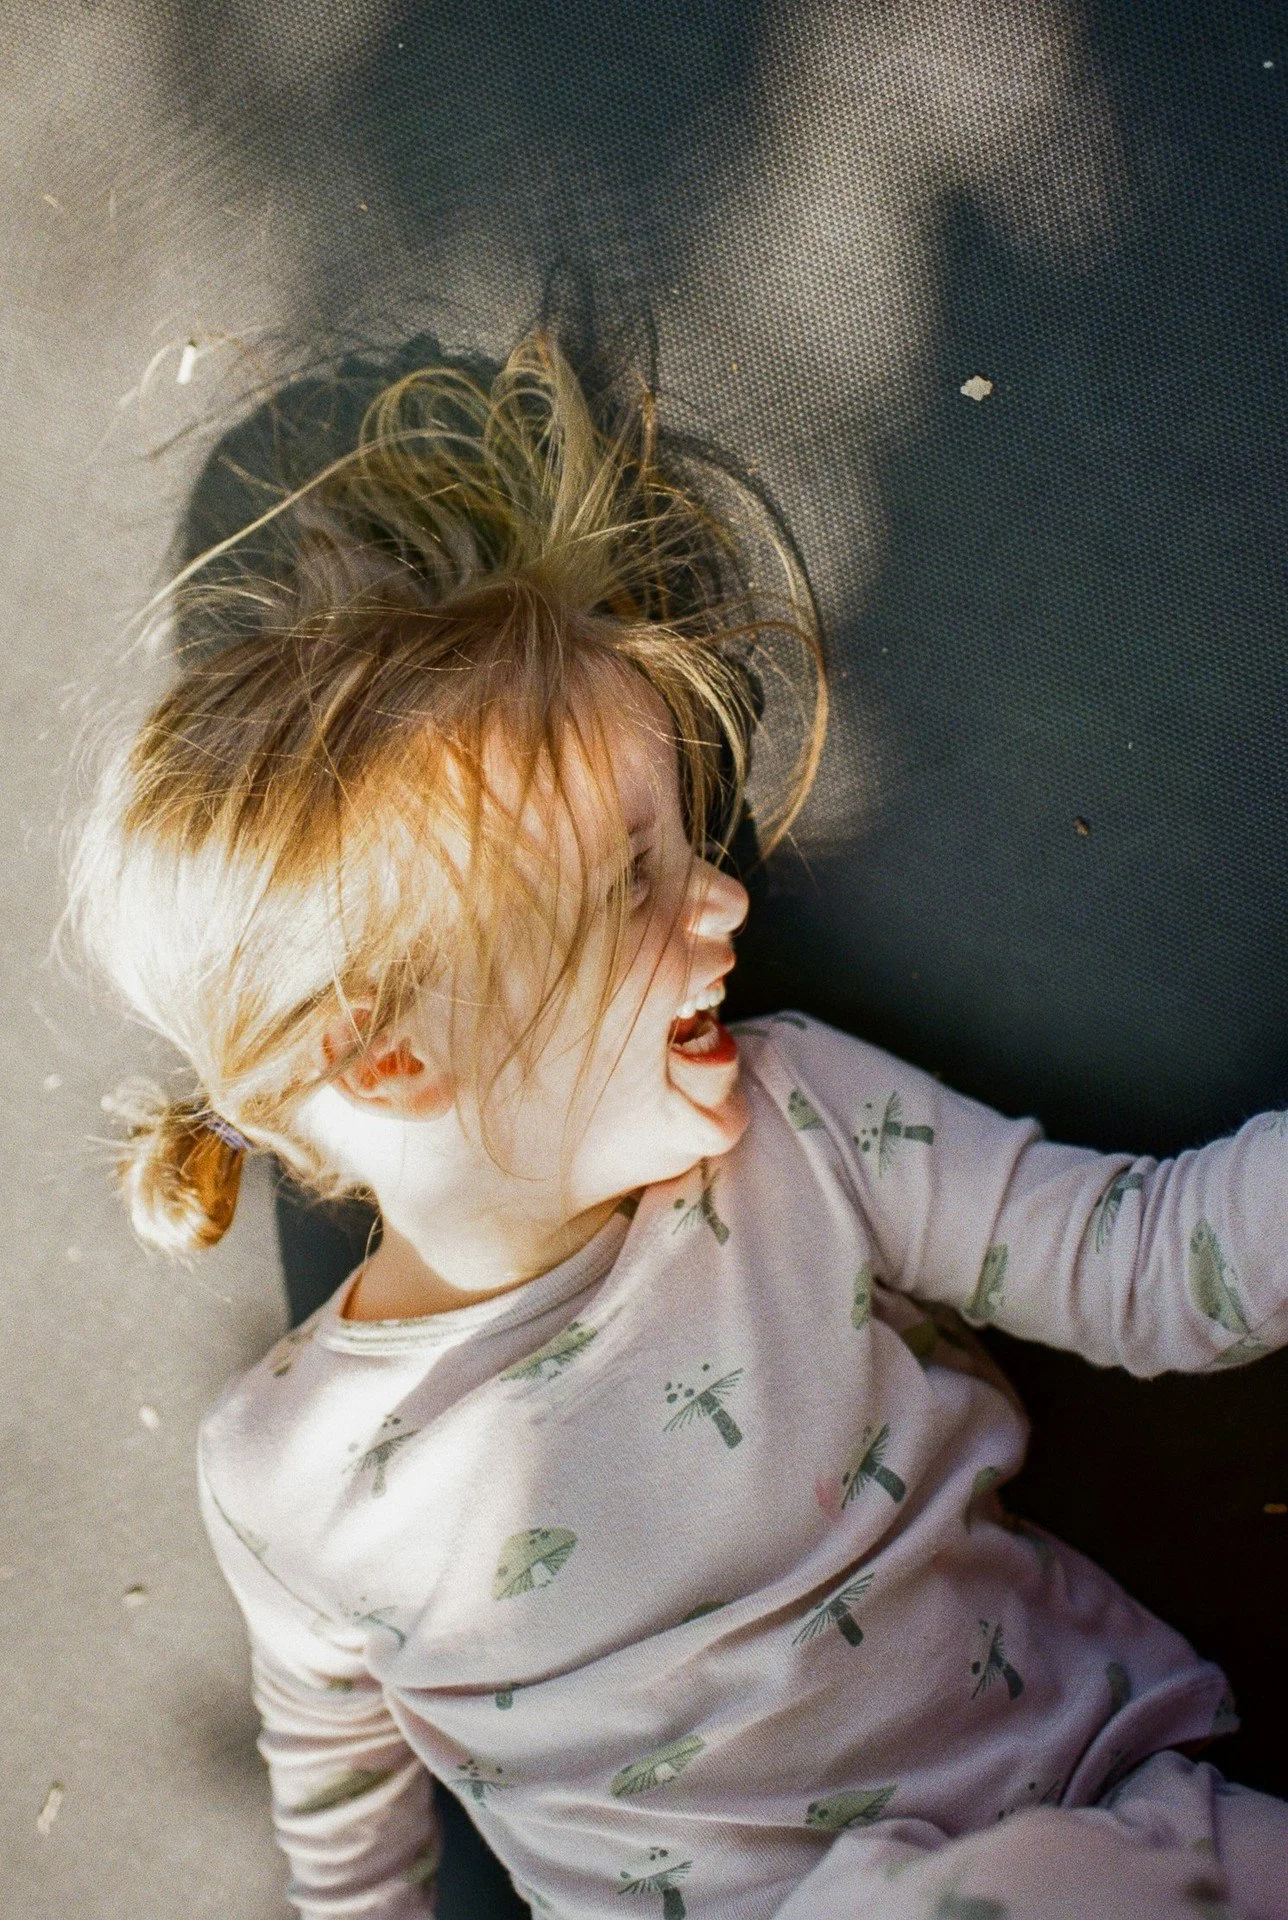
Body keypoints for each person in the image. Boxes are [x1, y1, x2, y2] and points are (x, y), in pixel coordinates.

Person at [64, 330, 1288, 1918]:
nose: (720, 902)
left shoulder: (802, 1134)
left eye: (686, 846)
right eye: (629, 886)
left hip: (1120, 1839)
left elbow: (1152, 1260)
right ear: (389, 1062)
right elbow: (345, 1808)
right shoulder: (291, 1479)